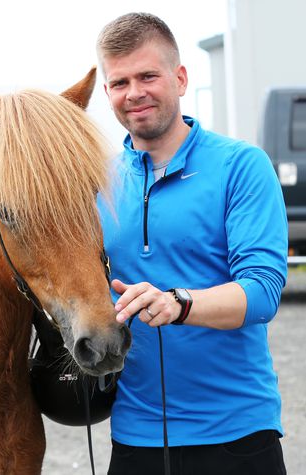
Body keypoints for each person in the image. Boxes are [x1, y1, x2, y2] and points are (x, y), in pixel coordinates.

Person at [95, 12, 288, 475]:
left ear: (180, 78)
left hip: (237, 436)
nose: (134, 92)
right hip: (135, 437)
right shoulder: (96, 182)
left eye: (147, 75)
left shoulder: (242, 165)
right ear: (107, 93)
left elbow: (262, 291)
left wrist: (178, 303)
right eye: (119, 82)